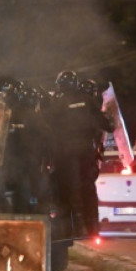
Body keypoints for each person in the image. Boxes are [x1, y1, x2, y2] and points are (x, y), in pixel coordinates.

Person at [49, 70, 113, 237]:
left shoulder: (58, 103)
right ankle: (93, 227)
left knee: (70, 188)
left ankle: (76, 228)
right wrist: (111, 122)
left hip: (66, 153)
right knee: (88, 187)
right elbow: (104, 123)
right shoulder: (88, 100)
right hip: (86, 151)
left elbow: (49, 128)